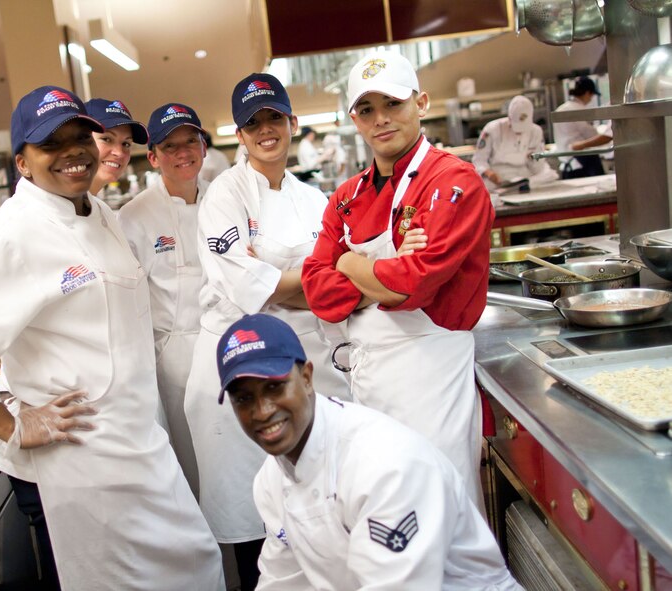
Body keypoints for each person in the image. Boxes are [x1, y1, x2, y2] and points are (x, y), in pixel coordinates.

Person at [0, 86, 224, 590]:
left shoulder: (101, 215)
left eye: (80, 138)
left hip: (139, 445)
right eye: (50, 143)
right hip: (78, 462)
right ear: (22, 163)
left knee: (196, 566)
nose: (72, 152)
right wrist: (11, 425)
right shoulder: (9, 233)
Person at [301, 52, 493, 507]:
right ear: (355, 120)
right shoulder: (346, 197)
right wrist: (385, 272)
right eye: (367, 109)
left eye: (393, 103)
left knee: (441, 502)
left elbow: (413, 285)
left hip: (431, 377)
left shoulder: (453, 181)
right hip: (368, 380)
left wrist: (349, 263)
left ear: (421, 103)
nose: (381, 119)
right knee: (388, 507)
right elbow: (318, 293)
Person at [184, 72, 351, 590]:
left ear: (292, 123)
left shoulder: (314, 199)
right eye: (252, 123)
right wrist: (312, 279)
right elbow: (247, 288)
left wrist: (278, 278)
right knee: (253, 517)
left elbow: (334, 278)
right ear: (239, 134)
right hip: (241, 366)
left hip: (304, 362)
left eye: (273, 118)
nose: (265, 131)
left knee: (317, 502)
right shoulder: (224, 196)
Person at [216, 313, 524, 591]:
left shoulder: (384, 465)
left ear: (307, 378)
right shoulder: (270, 481)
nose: (262, 411)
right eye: (243, 399)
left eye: (275, 387)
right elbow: (282, 581)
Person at [117, 102, 209, 497]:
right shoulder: (133, 217)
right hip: (171, 359)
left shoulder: (223, 201)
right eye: (170, 146)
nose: (183, 153)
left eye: (190, 141)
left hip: (224, 345)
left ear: (204, 147)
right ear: (153, 157)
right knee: (189, 466)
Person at [472, 95, 558, 190]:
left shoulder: (536, 131)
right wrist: (489, 173)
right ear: (509, 118)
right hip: (498, 176)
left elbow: (538, 167)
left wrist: (533, 160)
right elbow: (478, 160)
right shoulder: (492, 129)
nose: (519, 132)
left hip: (524, 174)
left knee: (550, 175)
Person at [84, 98, 148, 196]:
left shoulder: (93, 204)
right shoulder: (61, 203)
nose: (119, 153)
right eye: (106, 139)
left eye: (126, 144)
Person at [552, 76, 613, 179]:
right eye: (592, 95)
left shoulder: (560, 109)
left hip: (567, 165)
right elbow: (592, 134)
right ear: (587, 93)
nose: (591, 99)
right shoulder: (579, 111)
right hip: (581, 164)